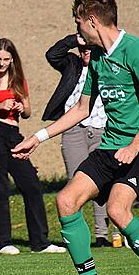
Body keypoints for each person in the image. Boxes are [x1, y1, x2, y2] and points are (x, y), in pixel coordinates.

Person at [12, 0, 139, 275]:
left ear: (91, 21)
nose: (77, 32)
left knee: (119, 211)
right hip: (110, 149)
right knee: (66, 200)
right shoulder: (99, 60)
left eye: (78, 24)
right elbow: (80, 109)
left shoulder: (137, 50)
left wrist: (134, 147)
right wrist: (38, 137)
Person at [0, 38, 65, 255]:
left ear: (12, 60)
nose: (1, 64)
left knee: (31, 184)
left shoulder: (17, 79)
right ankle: (2, 242)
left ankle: (40, 242)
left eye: (6, 60)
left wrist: (21, 106)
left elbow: (28, 112)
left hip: (13, 133)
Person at [43, 33, 110, 247]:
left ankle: (102, 235)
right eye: (83, 48)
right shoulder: (72, 64)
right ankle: (78, 234)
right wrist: (75, 40)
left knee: (100, 182)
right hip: (74, 130)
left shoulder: (107, 65)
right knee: (76, 181)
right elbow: (52, 55)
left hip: (102, 130)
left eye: (90, 47)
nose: (86, 52)